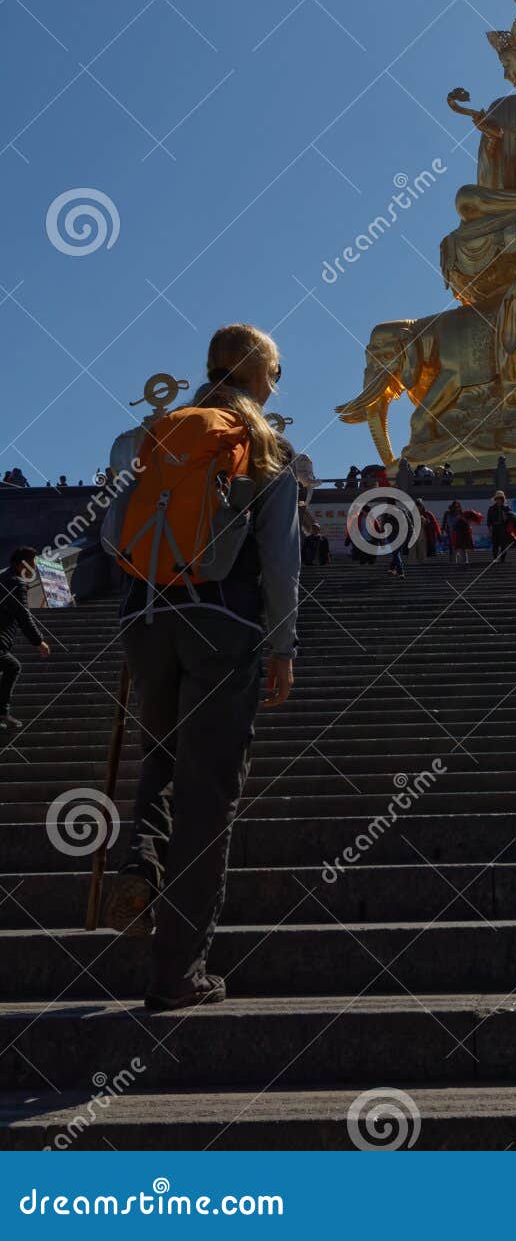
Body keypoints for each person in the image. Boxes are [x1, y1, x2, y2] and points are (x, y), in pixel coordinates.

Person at [103, 323, 300, 1013]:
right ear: (256, 376)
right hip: (223, 623)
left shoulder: (150, 434)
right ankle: (177, 971)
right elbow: (279, 562)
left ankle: (138, 865)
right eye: (274, 372)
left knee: (158, 758)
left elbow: (108, 528)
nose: (276, 383)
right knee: (207, 794)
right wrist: (282, 647)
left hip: (145, 619)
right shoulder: (268, 449)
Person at [0, 547, 50, 729]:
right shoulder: (16, 583)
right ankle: (2, 713)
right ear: (24, 564)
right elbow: (23, 615)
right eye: (34, 563)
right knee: (12, 666)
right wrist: (39, 641)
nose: (35, 569)